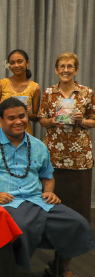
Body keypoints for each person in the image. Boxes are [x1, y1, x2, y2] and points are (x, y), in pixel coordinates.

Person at [0, 97, 94, 277]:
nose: (18, 121)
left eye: (22, 116)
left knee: (77, 222)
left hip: (38, 200)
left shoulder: (39, 146)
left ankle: (60, 267)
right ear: (0, 119)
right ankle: (12, 273)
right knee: (20, 225)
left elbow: (47, 176)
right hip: (4, 203)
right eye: (11, 118)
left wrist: (49, 191)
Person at [38, 52, 95, 223]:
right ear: (56, 70)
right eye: (62, 66)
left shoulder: (87, 92)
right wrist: (52, 121)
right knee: (55, 195)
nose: (65, 70)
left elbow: (94, 120)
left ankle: (79, 232)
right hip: (54, 153)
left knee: (79, 197)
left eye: (70, 66)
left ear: (76, 69)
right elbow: (41, 119)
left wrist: (82, 120)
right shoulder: (49, 92)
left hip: (79, 156)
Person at [0, 49, 41, 134]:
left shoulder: (35, 87)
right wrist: (4, 115)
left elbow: (36, 117)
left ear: (27, 63)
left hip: (23, 131)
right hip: (4, 129)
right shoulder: (2, 84)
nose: (16, 65)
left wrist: (27, 114)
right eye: (12, 63)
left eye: (20, 61)